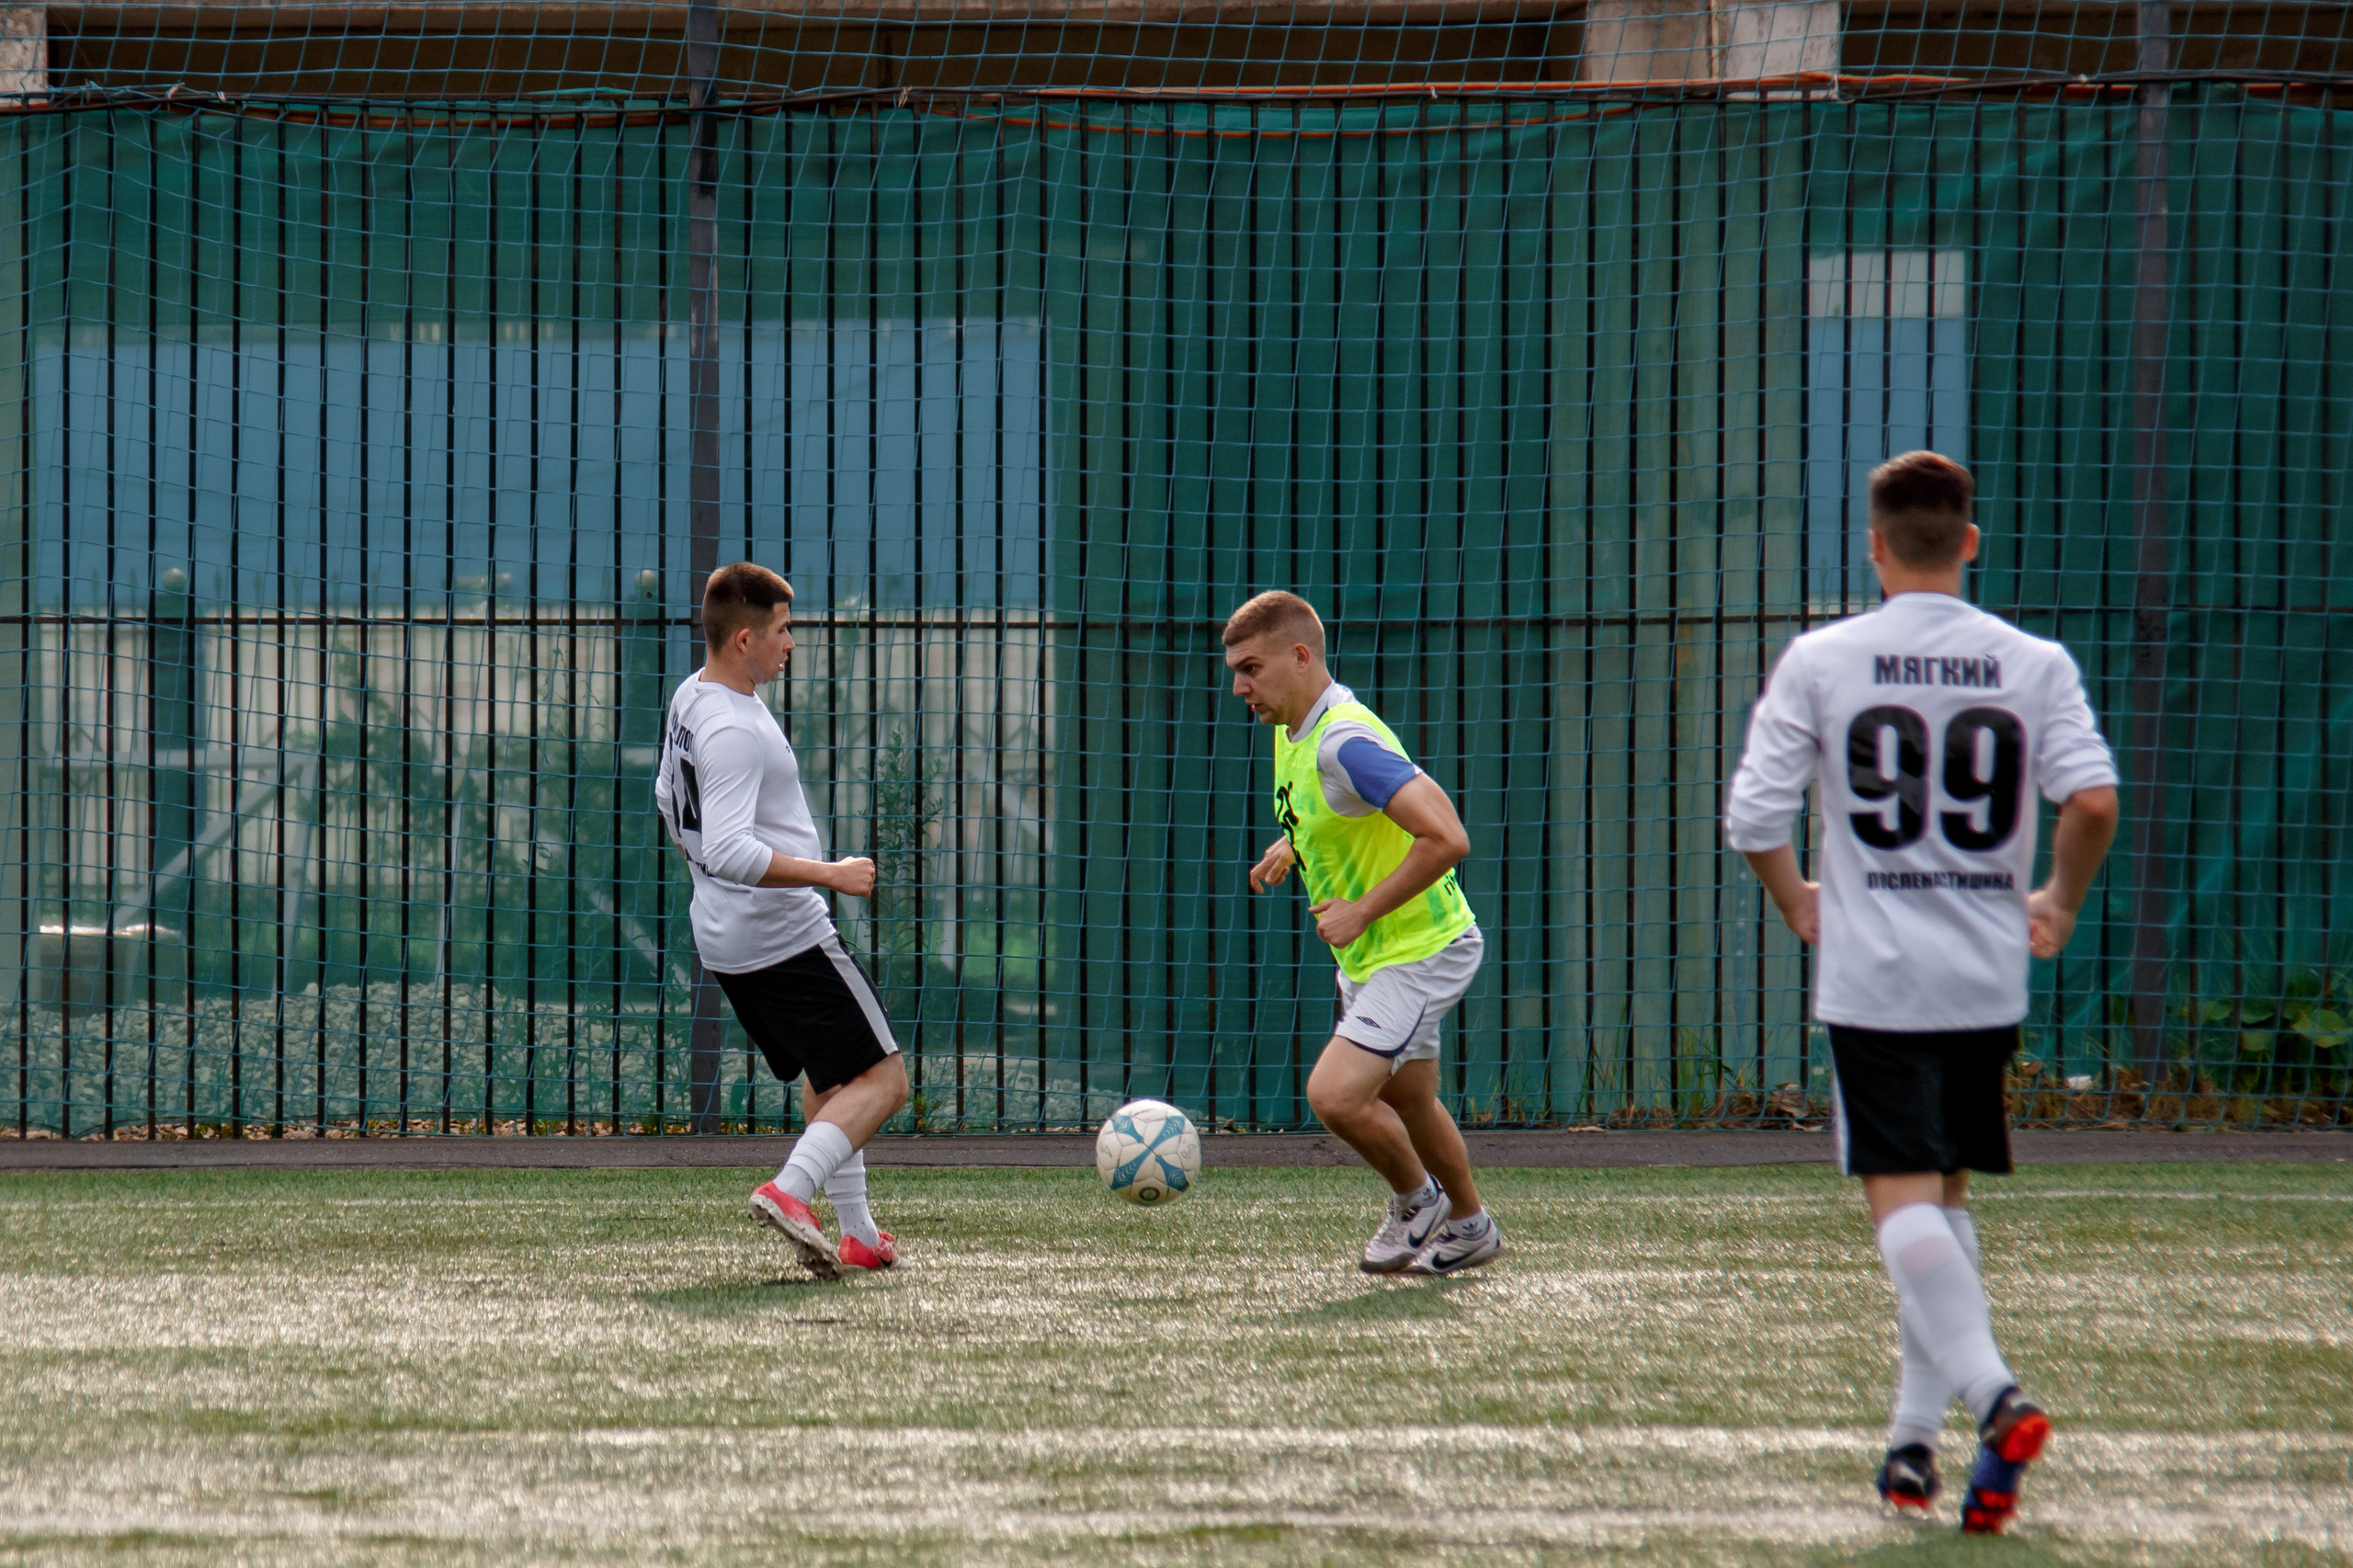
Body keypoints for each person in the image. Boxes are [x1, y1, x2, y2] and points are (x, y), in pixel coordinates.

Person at [1724, 452, 2120, 1533]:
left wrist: (1799, 898)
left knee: (1899, 1203)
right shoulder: (2029, 661)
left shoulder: (1823, 657)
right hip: (1984, 972)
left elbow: (1753, 817)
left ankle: (1994, 1398)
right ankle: (1912, 1443)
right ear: (1970, 541)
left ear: (1872, 543)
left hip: (1876, 976)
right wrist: (2060, 900)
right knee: (1940, 1198)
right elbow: (2090, 798)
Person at [1224, 590, 1501, 1277]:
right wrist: (1296, 846)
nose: (1239, 687)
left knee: (1336, 1095)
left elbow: (1447, 836)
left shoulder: (1346, 739)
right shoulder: (1295, 732)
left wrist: (1364, 908)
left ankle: (1419, 1202)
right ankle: (1469, 1226)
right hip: (1380, 956)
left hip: (1420, 950)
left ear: (1299, 656)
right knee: (1409, 1099)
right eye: (1235, 671)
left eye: (1251, 669)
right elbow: (1339, 812)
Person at [654, 562, 911, 1279]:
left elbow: (668, 804)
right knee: (886, 1081)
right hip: (783, 933)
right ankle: (789, 1191)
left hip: (728, 937)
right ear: (744, 639)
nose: (791, 643)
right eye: (782, 630)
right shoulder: (734, 730)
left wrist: (708, 879)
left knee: (833, 1076)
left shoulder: (692, 697)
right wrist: (831, 875)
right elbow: (731, 847)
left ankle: (858, 1234)